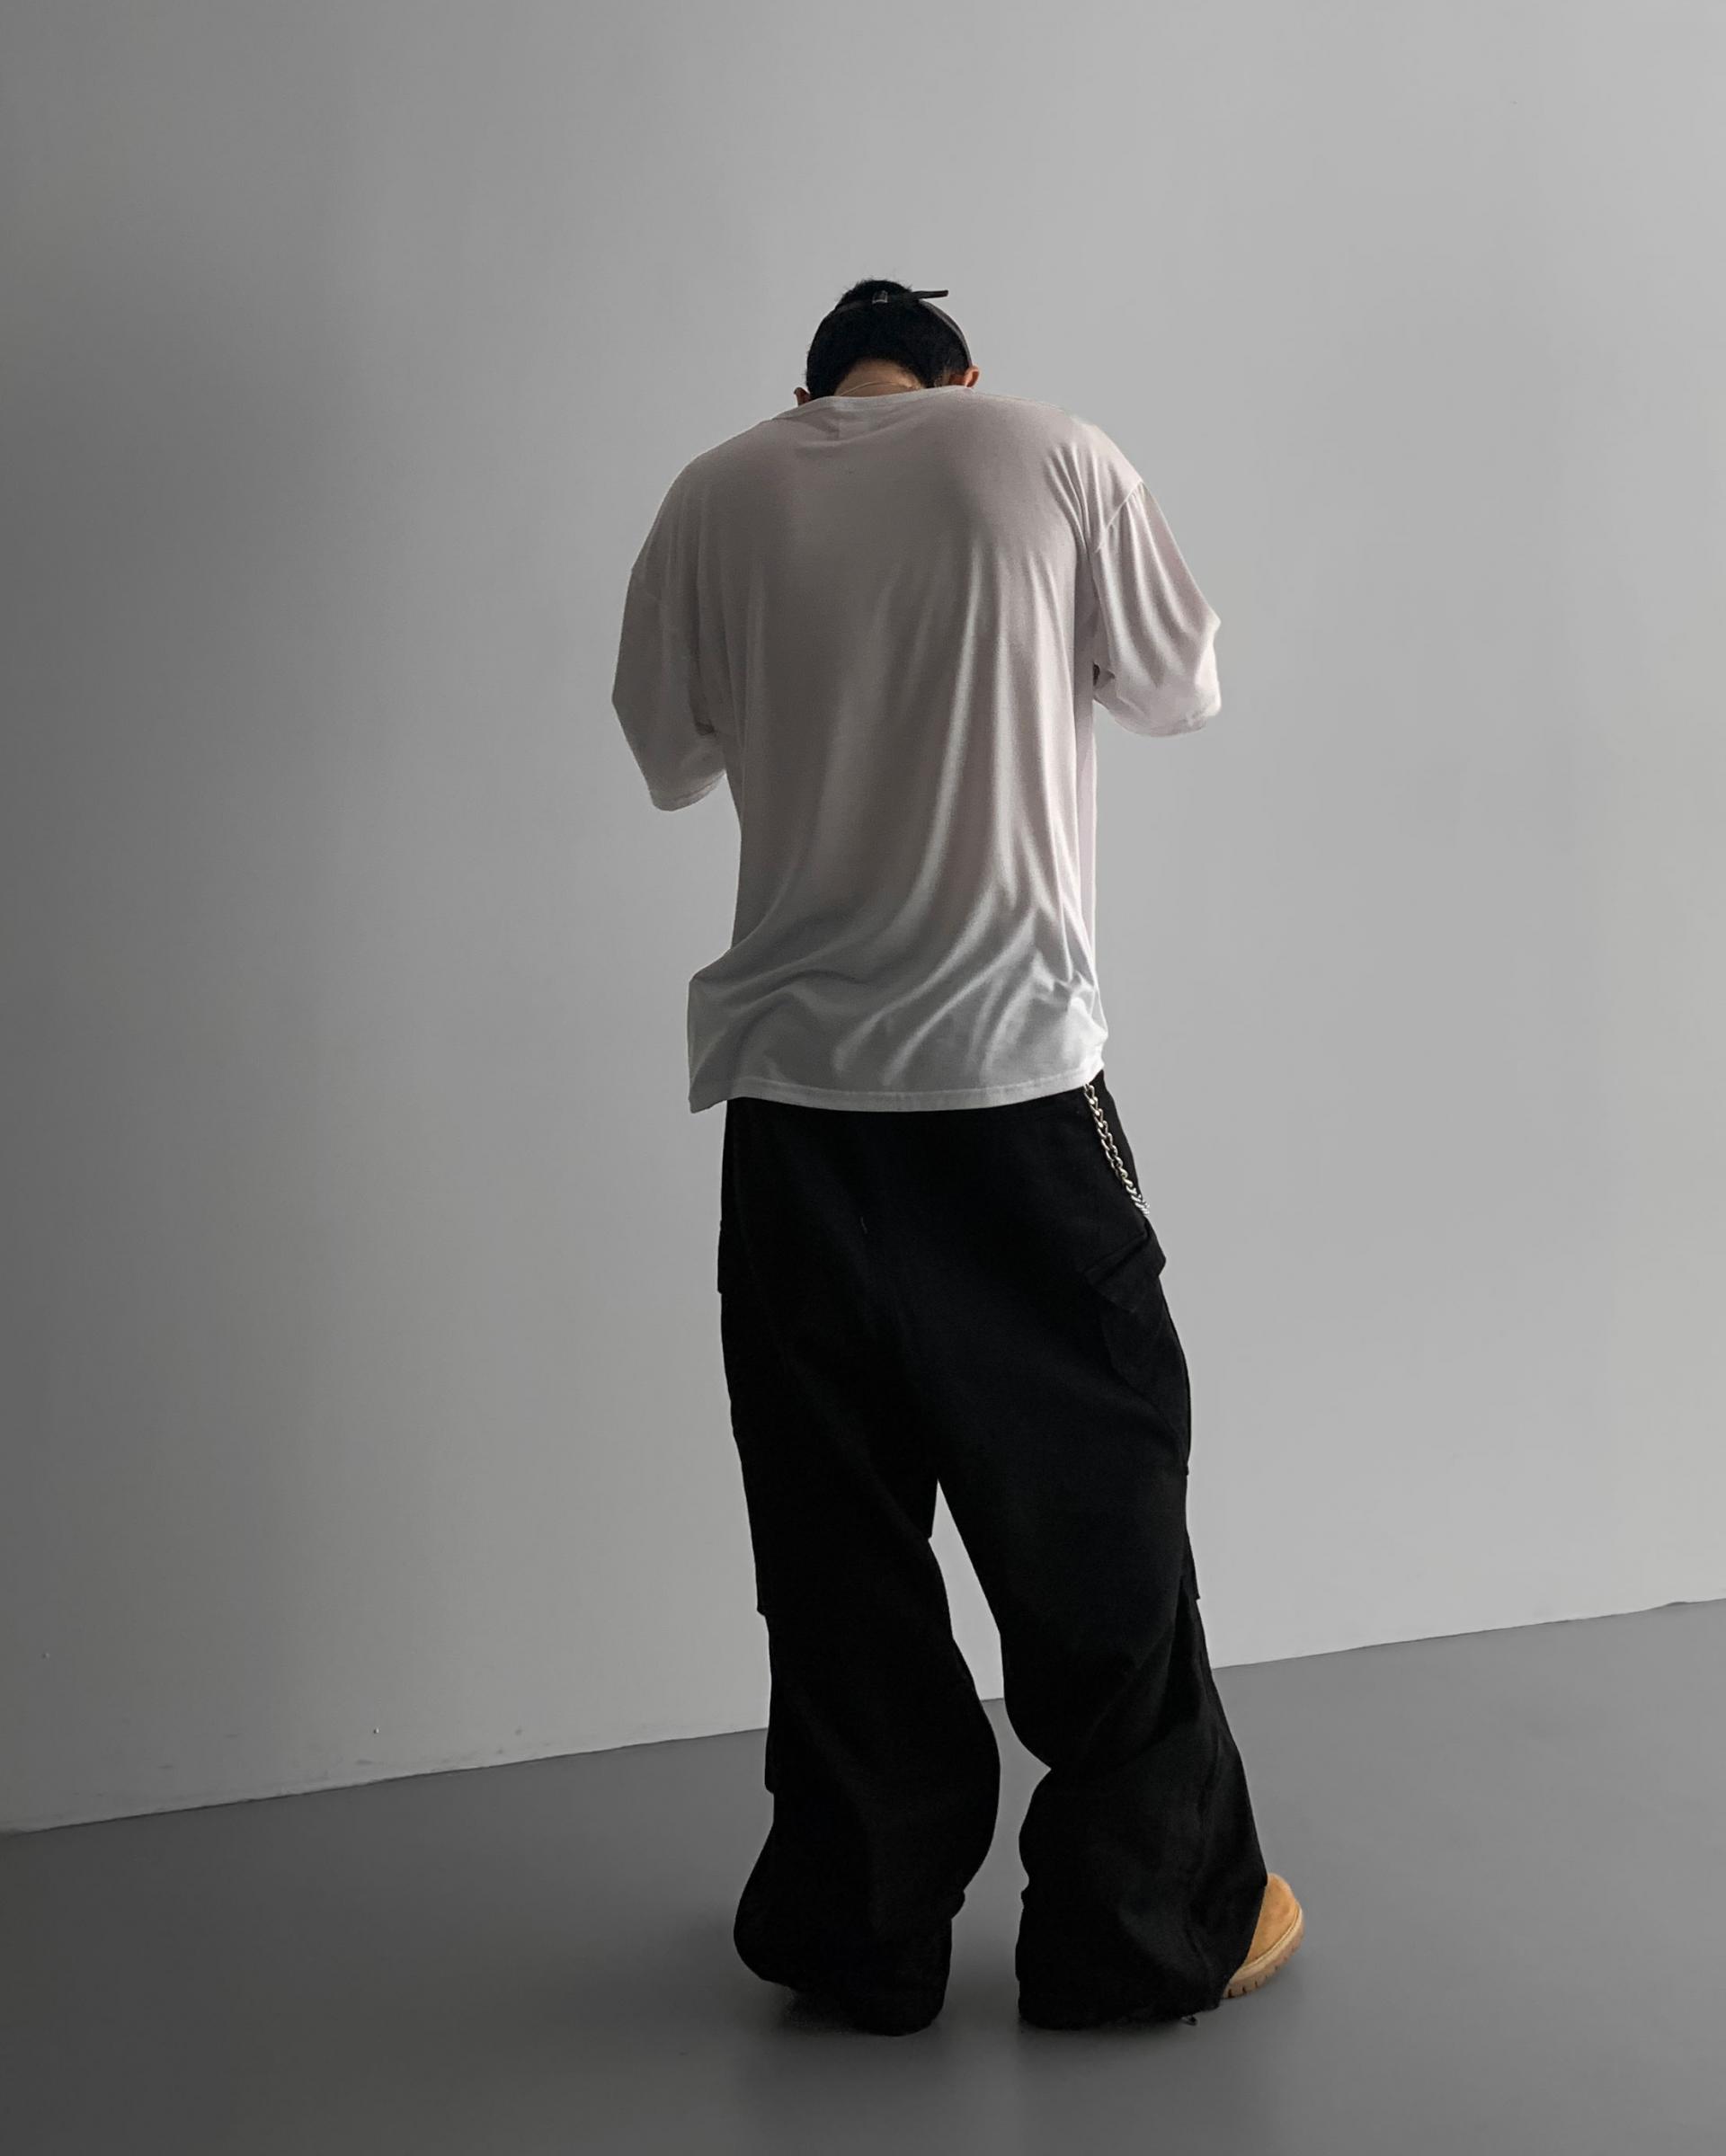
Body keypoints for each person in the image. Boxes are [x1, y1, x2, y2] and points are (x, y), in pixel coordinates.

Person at [609, 278, 1303, 2035]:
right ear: (961, 372)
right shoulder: (1050, 451)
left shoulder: (714, 490)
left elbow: (668, 756)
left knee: (832, 1539)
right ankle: (1140, 1930)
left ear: (814, 393)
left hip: (792, 1106)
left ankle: (860, 1933)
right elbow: (1182, 686)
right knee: (1101, 1509)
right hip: (1006, 1083)